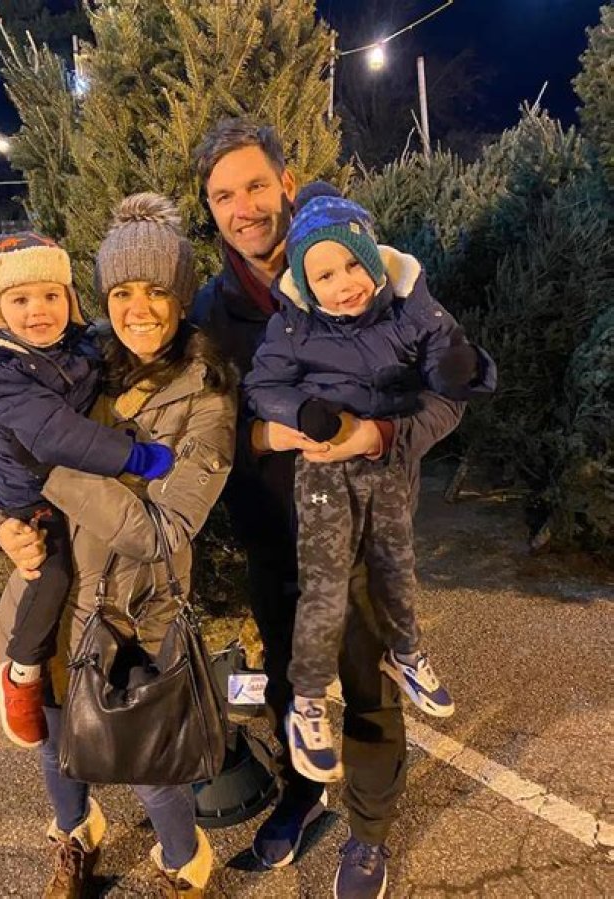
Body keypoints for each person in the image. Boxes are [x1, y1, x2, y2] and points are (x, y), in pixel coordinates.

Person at [191, 118, 470, 898]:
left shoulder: (366, 271)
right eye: (222, 195)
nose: (243, 207)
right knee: (291, 676)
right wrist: (263, 433)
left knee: (369, 687)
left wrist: (382, 433)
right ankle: (304, 791)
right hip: (274, 535)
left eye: (255, 185)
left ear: (286, 182)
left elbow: (448, 397)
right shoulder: (213, 309)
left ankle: (369, 831)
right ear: (210, 209)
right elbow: (200, 427)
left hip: (363, 535)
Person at [0, 193, 236, 898]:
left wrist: (53, 470)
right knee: (56, 746)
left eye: (156, 291)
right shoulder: (71, 363)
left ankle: (185, 861)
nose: (138, 308)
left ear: (180, 298)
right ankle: (75, 833)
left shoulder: (206, 398)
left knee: (151, 769)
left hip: (137, 613)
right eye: (122, 292)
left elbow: (165, 531)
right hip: (56, 603)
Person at [244, 181, 497, 782]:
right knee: (325, 584)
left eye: (354, 265)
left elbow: (446, 359)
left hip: (388, 464)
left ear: (375, 258)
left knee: (396, 565)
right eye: (325, 276)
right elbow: (263, 386)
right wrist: (300, 413)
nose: (345, 284)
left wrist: (461, 369)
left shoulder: (412, 308)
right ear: (306, 286)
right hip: (325, 465)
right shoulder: (295, 328)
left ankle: (406, 654)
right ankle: (307, 702)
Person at [0, 232, 174, 750]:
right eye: (21, 300)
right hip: (25, 493)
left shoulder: (70, 347)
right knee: (52, 571)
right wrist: (138, 457)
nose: (38, 310)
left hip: (75, 528)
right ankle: (20, 672)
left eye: (51, 295)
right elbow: (56, 434)